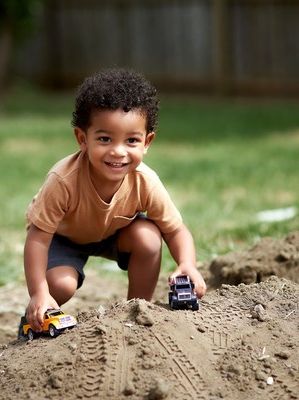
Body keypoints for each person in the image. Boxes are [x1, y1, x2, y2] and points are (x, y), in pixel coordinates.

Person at [23, 68, 206, 332]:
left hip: (113, 233)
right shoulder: (63, 180)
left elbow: (175, 230)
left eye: (132, 140)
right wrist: (38, 291)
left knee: (149, 237)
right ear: (82, 139)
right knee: (61, 285)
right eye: (105, 138)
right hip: (62, 238)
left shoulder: (145, 181)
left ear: (147, 142)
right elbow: (38, 239)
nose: (118, 151)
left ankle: (137, 309)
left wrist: (188, 264)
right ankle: (37, 311)